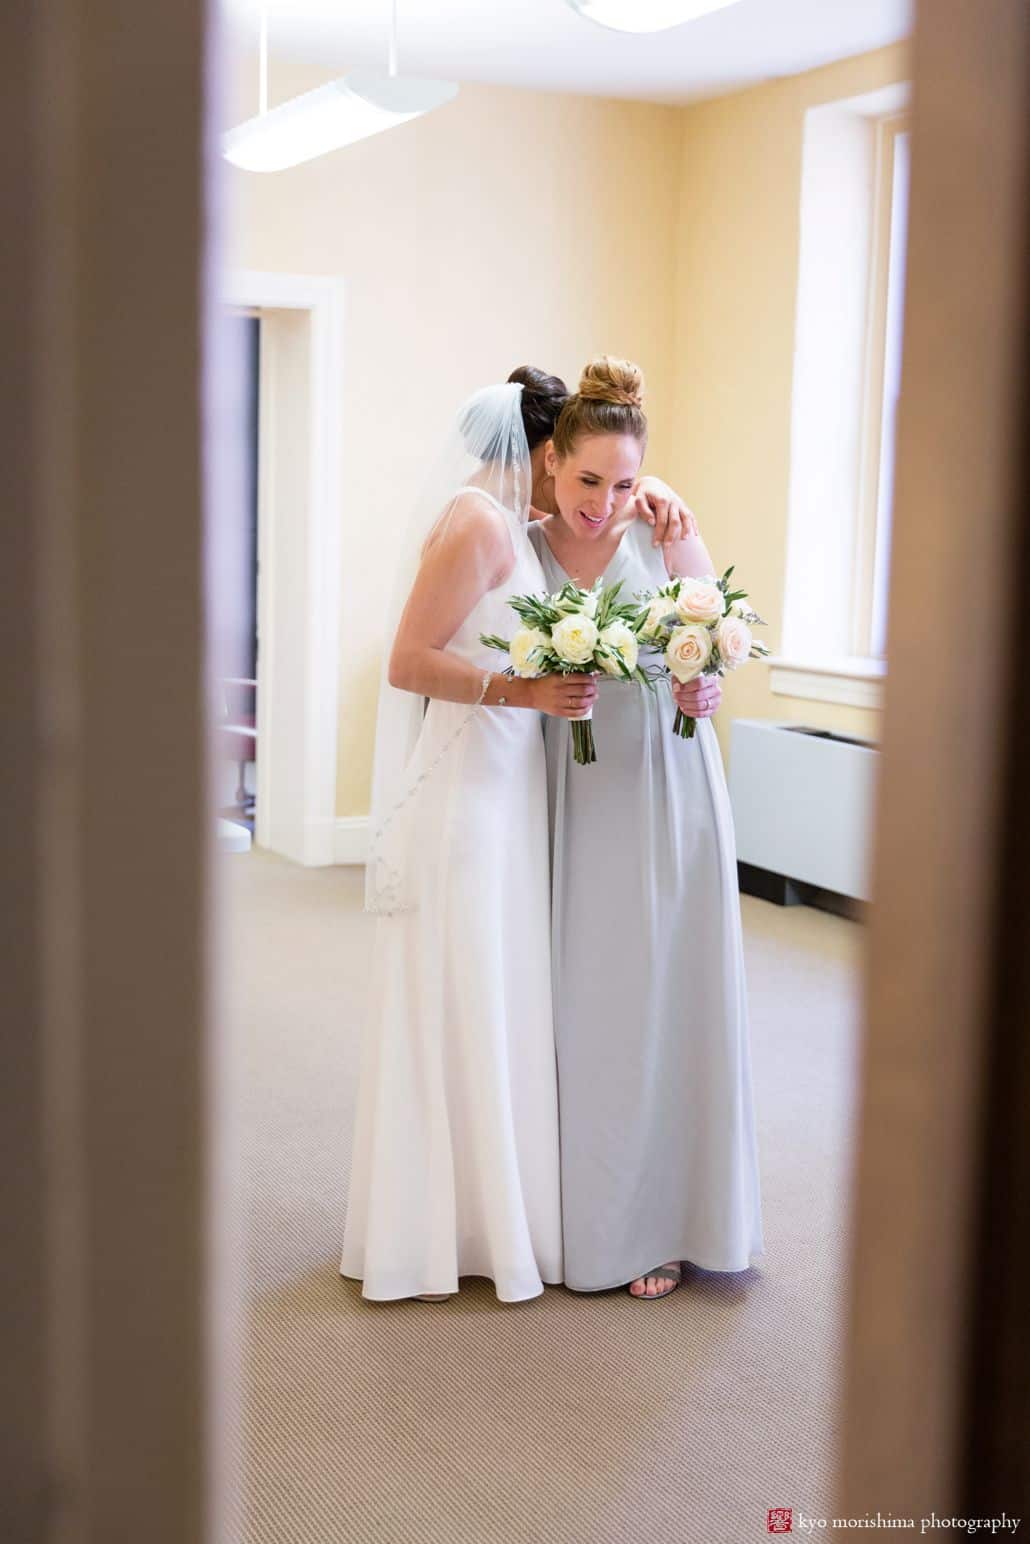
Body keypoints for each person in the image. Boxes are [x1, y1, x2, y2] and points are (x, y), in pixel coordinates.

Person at [339, 380, 597, 1303]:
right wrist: (520, 694)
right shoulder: (477, 525)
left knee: (489, 991)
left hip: (501, 783)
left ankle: (482, 1222)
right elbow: (411, 658)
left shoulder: (507, 522)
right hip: (467, 790)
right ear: (534, 446)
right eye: (560, 457)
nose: (563, 477)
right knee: (460, 988)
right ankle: (438, 1231)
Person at [528, 354, 765, 1300]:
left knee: (663, 992)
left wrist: (706, 679)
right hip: (568, 787)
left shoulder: (666, 529)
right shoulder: (520, 536)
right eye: (589, 479)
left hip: (665, 783)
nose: (606, 500)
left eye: (624, 482)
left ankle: (669, 1218)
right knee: (581, 998)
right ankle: (572, 1212)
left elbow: (710, 653)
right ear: (551, 461)